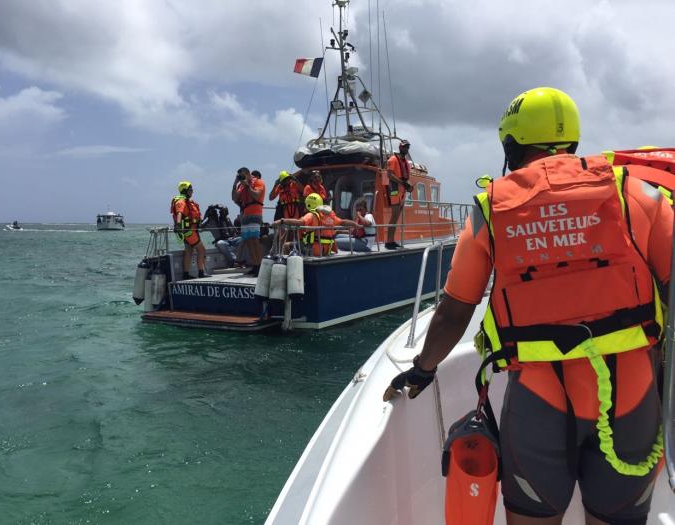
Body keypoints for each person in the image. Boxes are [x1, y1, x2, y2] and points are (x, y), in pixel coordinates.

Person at [383, 87, 673, 525]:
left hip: (540, 401)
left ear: (511, 145)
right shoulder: (636, 193)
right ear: (573, 140)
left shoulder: (491, 209)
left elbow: (455, 311)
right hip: (632, 396)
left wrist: (423, 369)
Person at [275, 193, 358, 257]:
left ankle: (286, 266)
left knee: (286, 246)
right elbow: (343, 222)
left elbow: (299, 222)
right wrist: (355, 224)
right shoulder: (330, 216)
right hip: (327, 249)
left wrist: (282, 221)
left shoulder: (311, 215)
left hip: (313, 249)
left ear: (309, 204)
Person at [232, 167, 266, 276]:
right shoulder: (241, 185)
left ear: (248, 173)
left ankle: (261, 267)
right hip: (245, 215)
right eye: (240, 176)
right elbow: (234, 198)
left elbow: (256, 195)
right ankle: (255, 266)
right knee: (249, 242)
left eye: (243, 175)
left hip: (255, 213)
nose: (242, 177)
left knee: (255, 240)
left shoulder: (258, 182)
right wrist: (235, 183)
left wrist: (247, 186)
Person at [171, 181, 207, 279]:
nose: (192, 191)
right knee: (202, 250)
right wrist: (178, 225)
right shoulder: (181, 201)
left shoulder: (187, 201)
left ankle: (186, 274)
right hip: (189, 231)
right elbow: (179, 213)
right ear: (184, 190)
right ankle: (201, 273)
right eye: (190, 189)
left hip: (191, 230)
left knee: (189, 251)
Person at [385, 139, 413, 250]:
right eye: (404, 146)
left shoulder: (406, 162)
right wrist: (403, 183)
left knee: (396, 217)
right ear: (400, 147)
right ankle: (388, 241)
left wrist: (409, 186)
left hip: (402, 191)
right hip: (395, 190)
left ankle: (391, 240)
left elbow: (406, 177)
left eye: (407, 147)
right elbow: (390, 175)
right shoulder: (392, 159)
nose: (406, 148)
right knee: (394, 215)